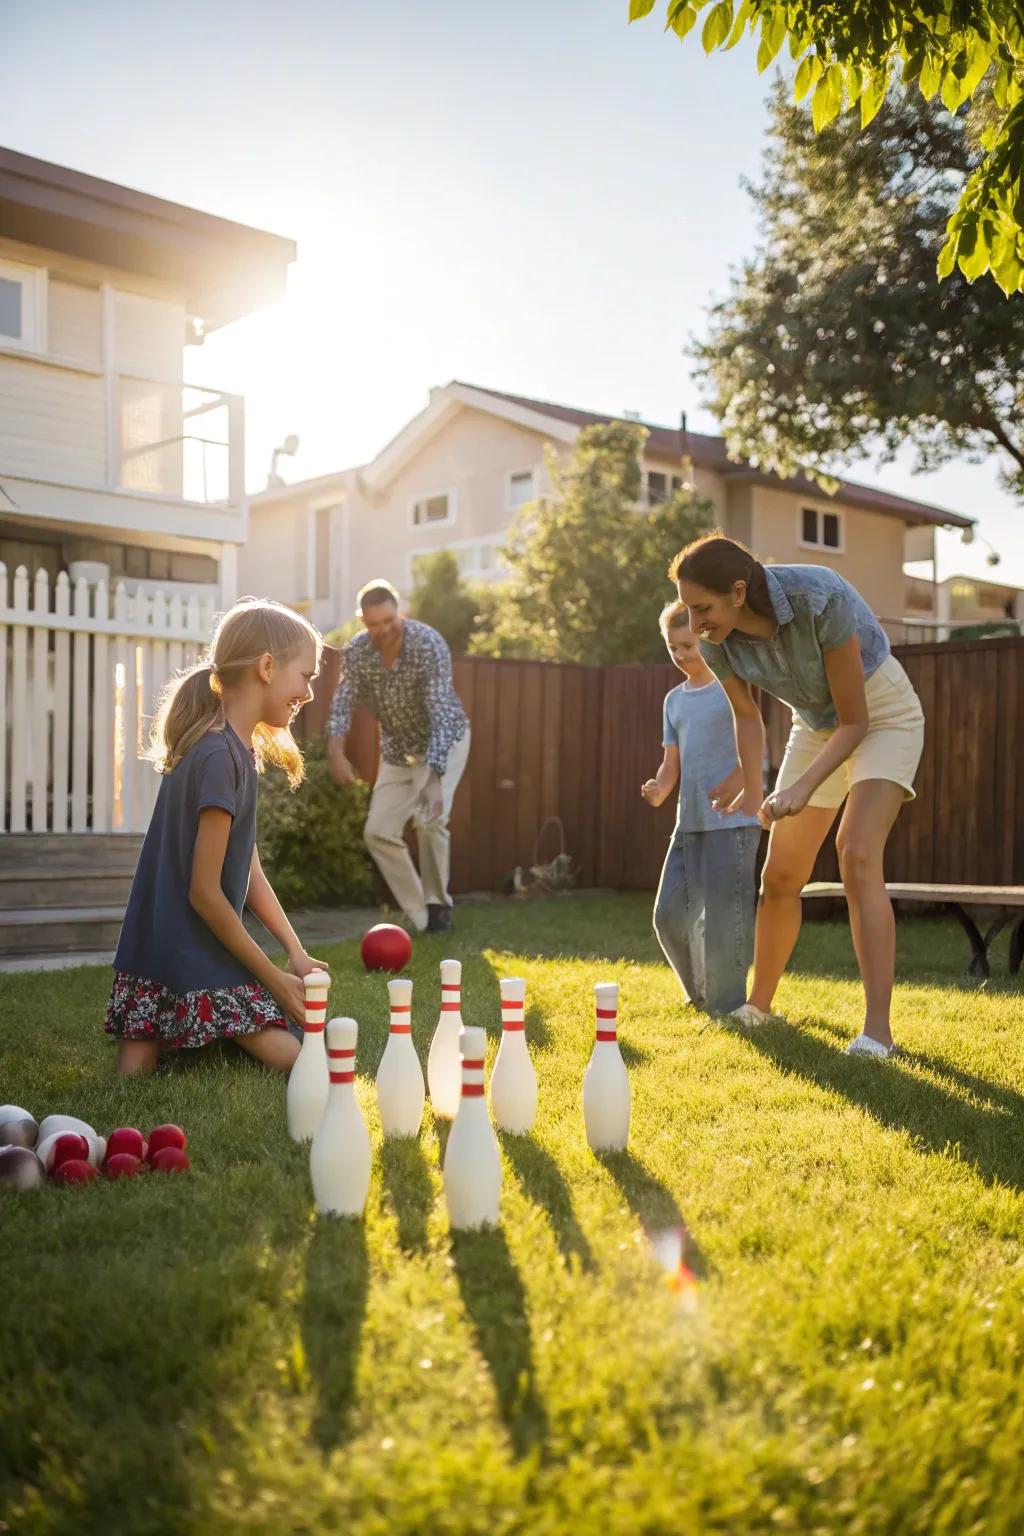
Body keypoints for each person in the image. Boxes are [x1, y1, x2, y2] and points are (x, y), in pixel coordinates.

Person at [671, 534, 924, 1058]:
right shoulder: (720, 643)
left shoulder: (818, 597)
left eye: (702, 608)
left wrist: (800, 789)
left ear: (738, 592)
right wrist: (756, 786)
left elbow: (856, 722)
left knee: (855, 852)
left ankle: (878, 1032)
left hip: (881, 715)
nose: (695, 626)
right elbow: (747, 715)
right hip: (816, 727)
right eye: (689, 611)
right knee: (781, 874)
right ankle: (759, 1006)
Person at [106, 598, 328, 1076]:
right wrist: (273, 980)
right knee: (304, 1058)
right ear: (267, 667)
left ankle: (187, 1032)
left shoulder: (234, 750)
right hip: (189, 951)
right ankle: (194, 1025)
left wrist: (295, 952)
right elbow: (204, 893)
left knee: (145, 1058)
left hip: (160, 952)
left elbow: (246, 865)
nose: (308, 692)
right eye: (306, 676)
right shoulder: (218, 757)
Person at [327, 579, 470, 934]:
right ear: (363, 622)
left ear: (399, 612)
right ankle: (420, 915)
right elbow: (344, 700)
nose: (383, 629)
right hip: (396, 750)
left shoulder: (428, 644)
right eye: (374, 624)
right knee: (377, 832)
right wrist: (335, 751)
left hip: (445, 741)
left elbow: (439, 712)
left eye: (389, 620)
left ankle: (439, 908)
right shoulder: (358, 652)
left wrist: (434, 778)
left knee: (430, 819)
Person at [642, 603, 762, 1015]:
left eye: (688, 646)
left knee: (725, 923)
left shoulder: (732, 686)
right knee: (668, 915)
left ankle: (727, 1007)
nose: (681, 656)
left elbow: (757, 736)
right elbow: (671, 762)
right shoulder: (673, 701)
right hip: (688, 823)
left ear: (705, 639)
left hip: (734, 821)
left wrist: (744, 777)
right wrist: (660, 787)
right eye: (673, 648)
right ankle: (700, 993)